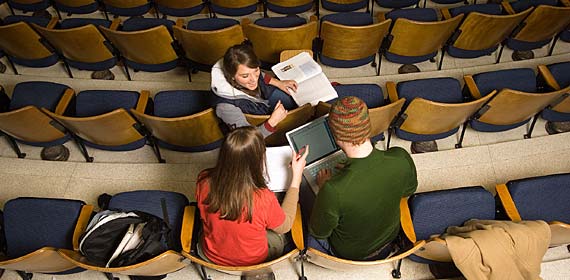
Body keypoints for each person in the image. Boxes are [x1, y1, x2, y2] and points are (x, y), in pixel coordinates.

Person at [307, 96, 418, 261]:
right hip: (390, 237)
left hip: (350, 254)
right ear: (368, 127)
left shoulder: (332, 190)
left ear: (337, 138)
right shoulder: (400, 157)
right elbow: (409, 190)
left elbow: (319, 232)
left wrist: (323, 188)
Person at [195, 126, 309, 266]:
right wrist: (296, 177)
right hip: (254, 260)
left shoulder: (203, 180)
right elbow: (284, 227)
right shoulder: (263, 197)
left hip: (211, 256)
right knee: (281, 226)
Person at [211, 43, 299, 138]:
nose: (254, 79)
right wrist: (272, 122)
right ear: (231, 76)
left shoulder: (247, 72)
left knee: (296, 98)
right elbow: (245, 139)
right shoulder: (225, 107)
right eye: (245, 76)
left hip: (261, 102)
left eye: (256, 70)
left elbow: (261, 75)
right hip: (262, 133)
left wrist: (278, 83)